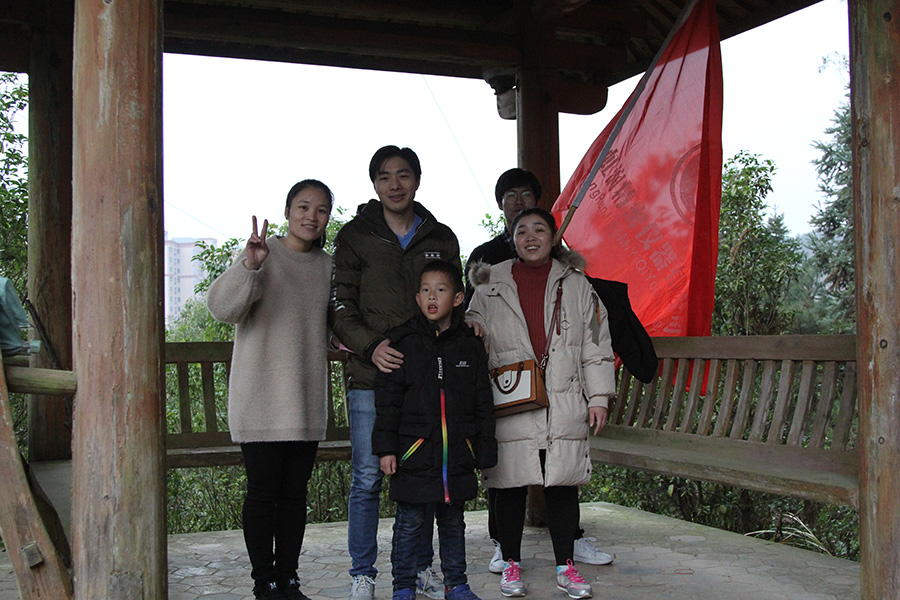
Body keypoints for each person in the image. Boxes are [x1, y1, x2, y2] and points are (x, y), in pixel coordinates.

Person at [464, 169, 616, 573]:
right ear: (511, 239)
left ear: (552, 238)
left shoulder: (577, 284)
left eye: (539, 230)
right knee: (510, 481)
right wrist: (473, 328)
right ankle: (508, 556)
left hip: (563, 394)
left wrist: (599, 397)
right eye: (522, 232)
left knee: (562, 480)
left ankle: (566, 562)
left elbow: (596, 344)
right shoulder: (490, 284)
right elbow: (473, 327)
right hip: (512, 396)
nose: (531, 237)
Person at [331, 145, 463, 600]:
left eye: (403, 175)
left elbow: (455, 298)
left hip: (425, 378)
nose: (394, 184)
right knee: (368, 476)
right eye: (384, 176)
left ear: (417, 180)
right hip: (371, 375)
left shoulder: (439, 236)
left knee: (421, 475)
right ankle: (362, 573)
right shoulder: (355, 236)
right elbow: (340, 305)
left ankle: (420, 569)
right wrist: (372, 346)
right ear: (374, 184)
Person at [207, 179, 336, 600]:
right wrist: (250, 266)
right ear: (286, 212)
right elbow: (222, 309)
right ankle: (264, 582)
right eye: (303, 207)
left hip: (304, 399)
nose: (311, 216)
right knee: (263, 494)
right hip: (260, 397)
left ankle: (289, 579)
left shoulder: (328, 267)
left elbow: (334, 326)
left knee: (294, 496)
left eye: (321, 210)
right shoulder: (260, 253)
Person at [372, 261, 497, 600]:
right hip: (413, 453)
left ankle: (456, 584)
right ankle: (403, 587)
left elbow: (483, 400)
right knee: (409, 524)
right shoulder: (402, 342)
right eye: (425, 290)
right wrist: (386, 449)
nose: (431, 297)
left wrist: (483, 448)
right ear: (417, 298)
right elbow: (387, 403)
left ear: (458, 298)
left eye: (440, 290)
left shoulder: (469, 344)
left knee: (454, 524)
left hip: (457, 453)